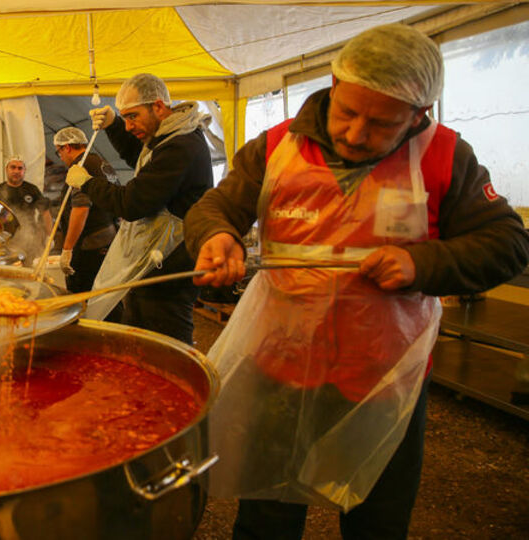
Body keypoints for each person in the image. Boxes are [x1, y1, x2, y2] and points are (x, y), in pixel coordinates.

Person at [184, 23, 529, 540]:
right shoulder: (277, 146)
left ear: (419, 114)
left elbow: (508, 244)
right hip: (281, 360)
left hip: (384, 374)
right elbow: (216, 205)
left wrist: (422, 264)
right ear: (334, 83)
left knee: (377, 518)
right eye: (347, 112)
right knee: (267, 512)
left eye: (382, 123)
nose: (356, 134)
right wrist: (216, 234)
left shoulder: (445, 156)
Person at [65, 73, 213, 344]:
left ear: (158, 106)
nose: (129, 126)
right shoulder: (168, 137)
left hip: (172, 263)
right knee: (141, 332)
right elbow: (139, 157)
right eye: (125, 118)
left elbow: (131, 203)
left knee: (166, 340)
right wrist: (113, 125)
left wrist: (87, 183)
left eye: (132, 116)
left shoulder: (181, 145)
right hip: (157, 260)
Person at [52, 126, 120, 294]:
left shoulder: (80, 167)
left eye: (59, 152)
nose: (61, 157)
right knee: (104, 293)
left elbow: (81, 208)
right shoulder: (101, 162)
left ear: (67, 147)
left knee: (82, 295)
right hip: (109, 238)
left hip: (89, 245)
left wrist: (67, 249)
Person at [0, 156, 53, 266]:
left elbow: (45, 213)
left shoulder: (32, 189)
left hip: (30, 241)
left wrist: (49, 237)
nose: (16, 171)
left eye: (20, 168)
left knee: (29, 271)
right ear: (6, 169)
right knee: (7, 271)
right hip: (5, 242)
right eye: (13, 167)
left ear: (24, 171)